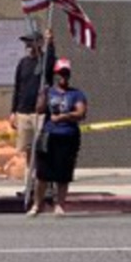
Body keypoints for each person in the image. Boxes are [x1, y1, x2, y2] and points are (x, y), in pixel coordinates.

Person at [27, 58, 87, 217]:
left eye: (66, 74)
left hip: (67, 136)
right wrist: (42, 95)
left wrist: (64, 117)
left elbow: (81, 113)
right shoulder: (49, 91)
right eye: (60, 74)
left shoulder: (76, 94)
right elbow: (39, 110)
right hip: (49, 135)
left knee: (63, 173)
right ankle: (37, 204)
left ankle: (59, 204)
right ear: (55, 74)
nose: (63, 77)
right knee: (43, 174)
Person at [10, 29, 54, 194]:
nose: (28, 46)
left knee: (42, 150)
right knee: (28, 151)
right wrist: (13, 111)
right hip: (23, 112)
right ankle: (29, 186)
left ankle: (46, 186)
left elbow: (51, 63)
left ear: (39, 43)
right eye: (26, 43)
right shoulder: (22, 63)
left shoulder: (44, 62)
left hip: (40, 114)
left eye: (31, 42)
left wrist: (51, 43)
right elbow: (17, 87)